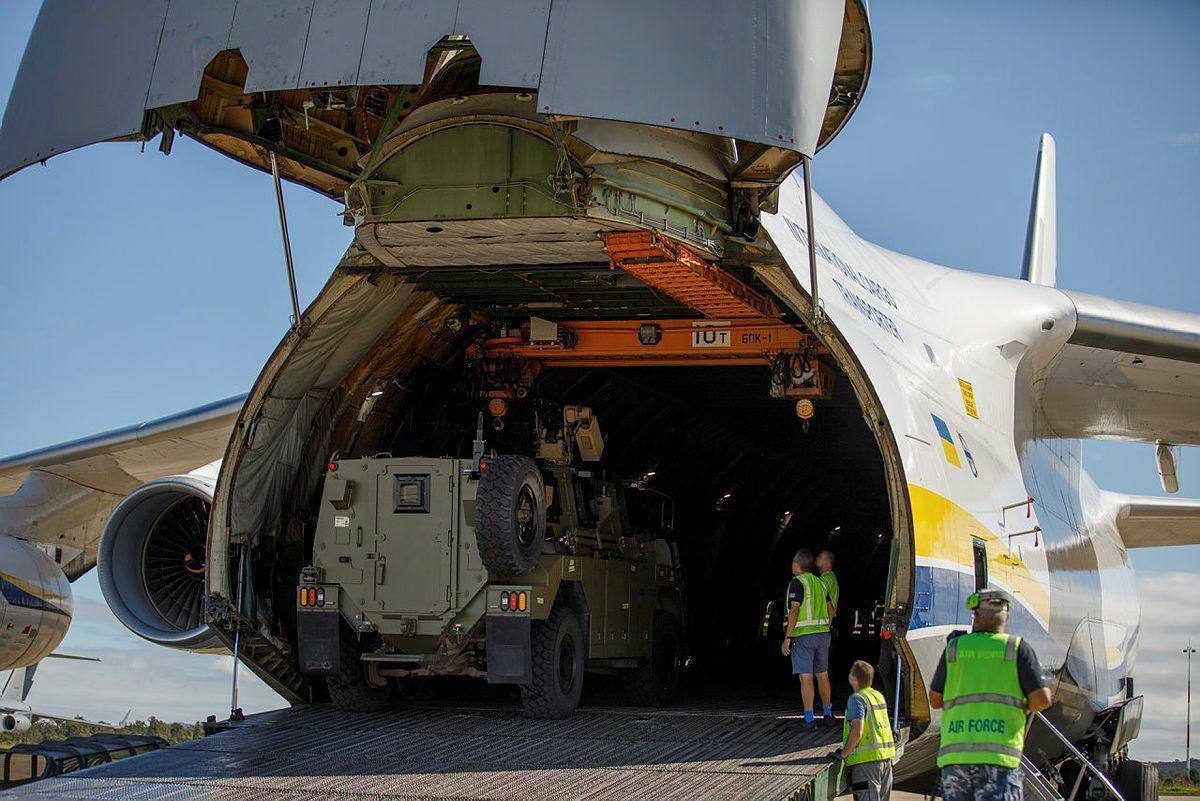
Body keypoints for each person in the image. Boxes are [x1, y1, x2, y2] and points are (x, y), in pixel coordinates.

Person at [929, 588, 1053, 801]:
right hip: (998, 761)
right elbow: (1042, 700)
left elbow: (935, 699)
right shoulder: (1016, 649)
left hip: (957, 760)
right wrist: (1024, 706)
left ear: (976, 617)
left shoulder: (955, 649)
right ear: (1006, 617)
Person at [781, 549, 835, 728]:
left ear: (798, 565)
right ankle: (828, 714)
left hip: (804, 636)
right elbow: (831, 609)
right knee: (823, 675)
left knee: (806, 678)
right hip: (823, 635)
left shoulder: (798, 582)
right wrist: (825, 625)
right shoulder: (821, 583)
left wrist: (788, 637)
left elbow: (794, 610)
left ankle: (810, 719)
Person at [832, 660, 896, 801]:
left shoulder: (857, 699)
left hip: (867, 765)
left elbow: (857, 731)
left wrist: (844, 753)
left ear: (854, 679)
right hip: (885, 760)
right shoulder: (878, 696)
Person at [817, 549, 839, 620]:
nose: (817, 558)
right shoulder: (831, 577)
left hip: (824, 619)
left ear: (828, 563)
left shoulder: (827, 578)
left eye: (820, 557)